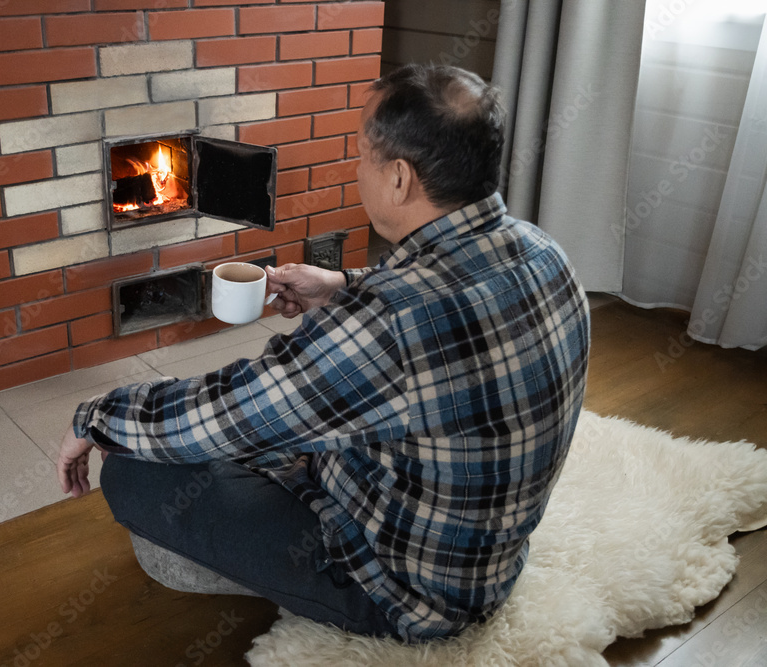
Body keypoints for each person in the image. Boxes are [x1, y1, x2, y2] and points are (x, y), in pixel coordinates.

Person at [57, 63, 590, 643]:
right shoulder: (544, 252)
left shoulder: (388, 326)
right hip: (485, 563)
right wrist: (341, 286)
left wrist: (96, 415)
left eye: (363, 153)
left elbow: (230, 411)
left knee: (136, 467)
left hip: (402, 593)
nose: (355, 166)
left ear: (399, 180)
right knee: (269, 419)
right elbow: (442, 299)